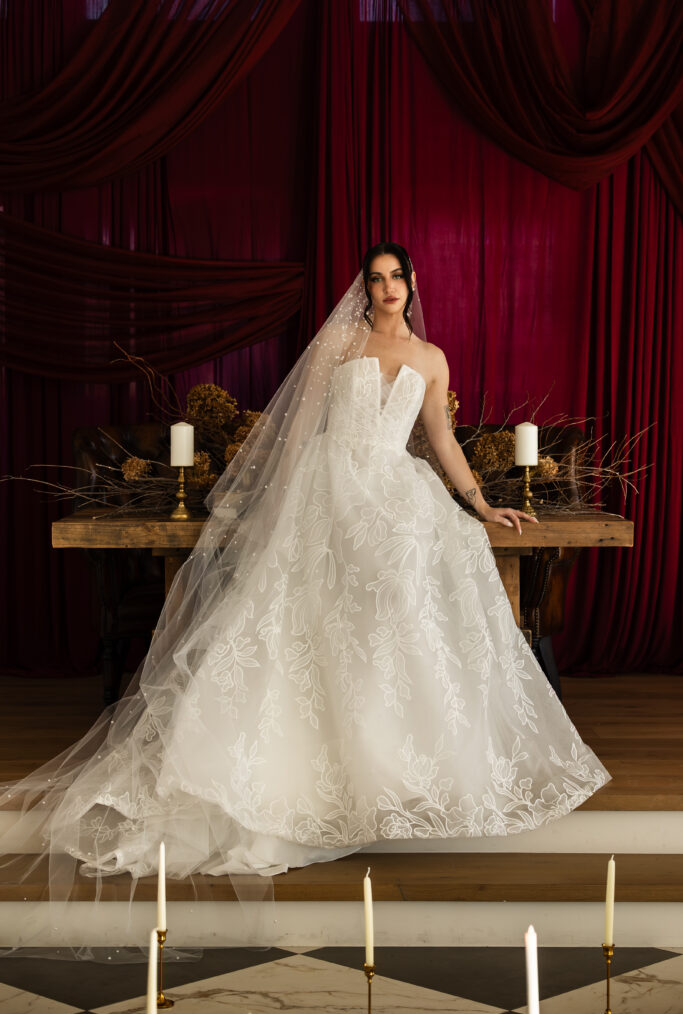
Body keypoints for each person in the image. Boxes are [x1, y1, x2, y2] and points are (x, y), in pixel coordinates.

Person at [1, 242, 608, 909]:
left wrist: (479, 502)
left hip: (394, 490)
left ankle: (395, 768)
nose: (385, 288)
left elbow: (437, 437)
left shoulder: (430, 360)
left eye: (395, 277)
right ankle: (315, 775)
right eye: (374, 279)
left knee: (409, 595)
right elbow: (293, 437)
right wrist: (276, 510)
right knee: (314, 621)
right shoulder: (338, 346)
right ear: (364, 289)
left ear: (412, 283)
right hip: (327, 488)